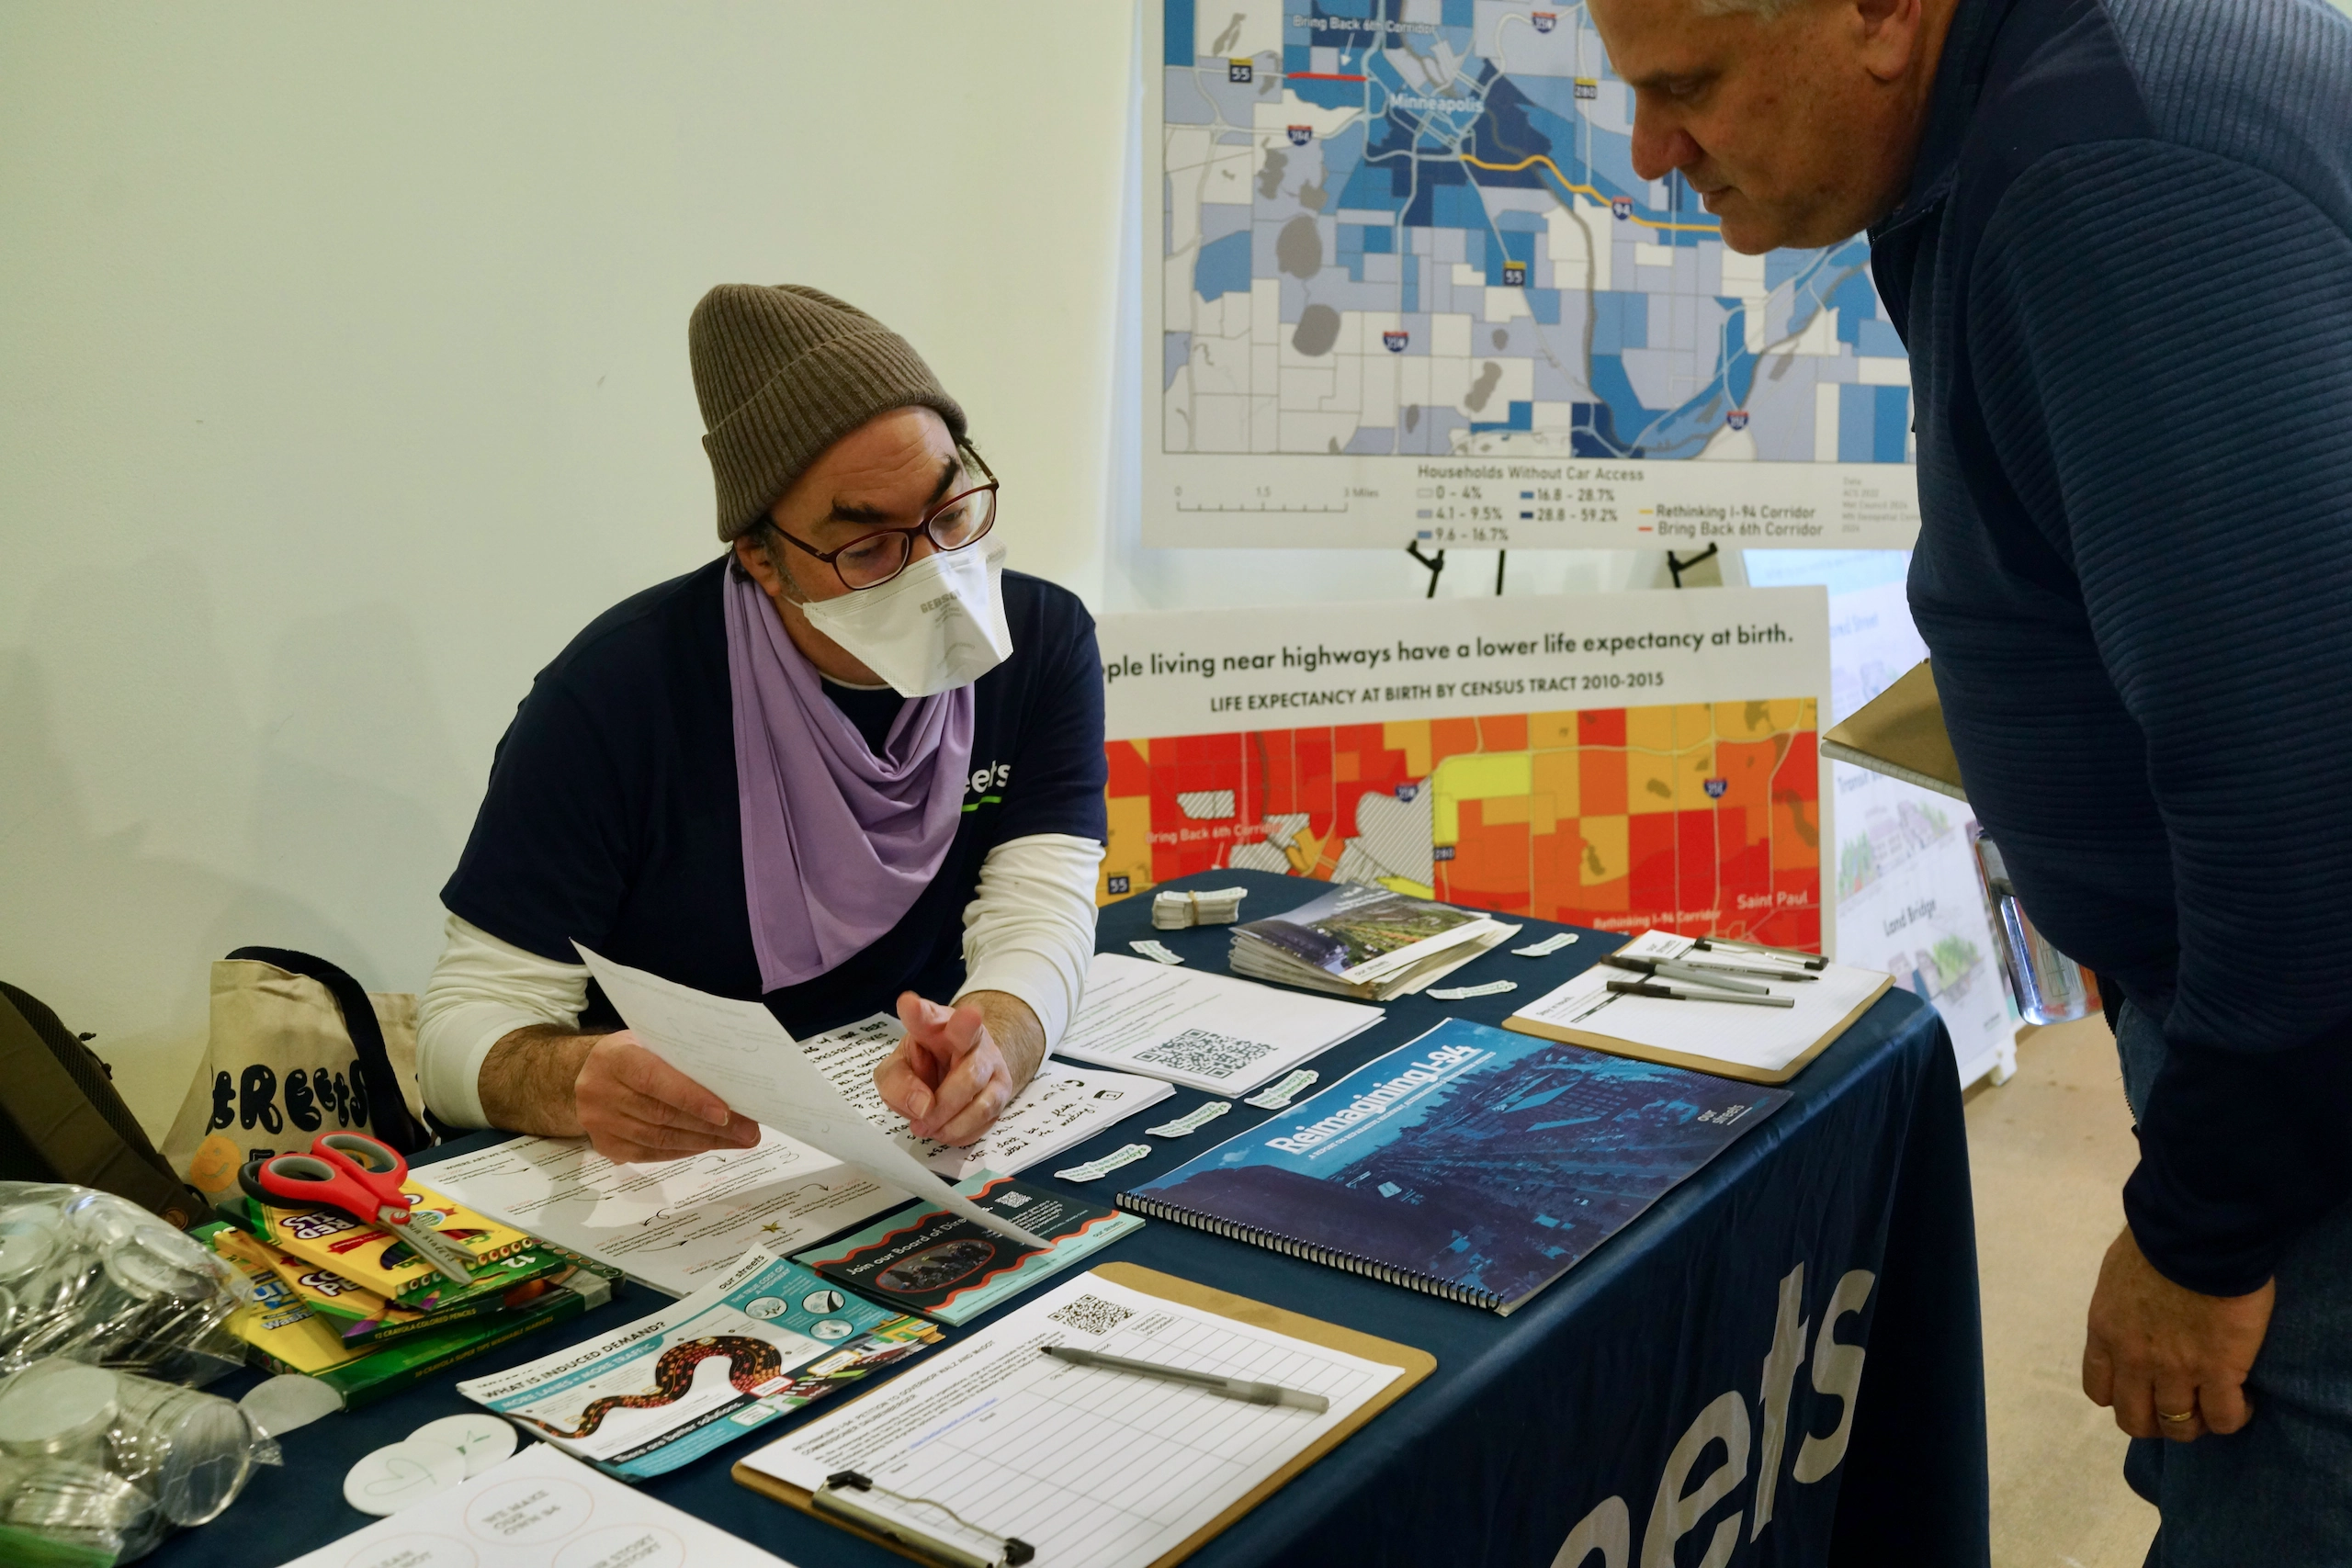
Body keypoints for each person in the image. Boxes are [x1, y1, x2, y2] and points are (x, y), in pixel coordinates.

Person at [1583, 0, 2352, 1557]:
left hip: (2310, 1083)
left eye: (1690, 89)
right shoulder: (2030, 119)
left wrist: (2201, 1235)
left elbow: (2306, 791)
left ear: (1874, 15)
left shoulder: (2101, 176)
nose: (1654, 151)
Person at [417, 284, 1108, 1168]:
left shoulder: (1042, 642)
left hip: (913, 1141)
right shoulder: (617, 698)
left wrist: (994, 1048)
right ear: (762, 558)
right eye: (867, 548)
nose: (936, 573)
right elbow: (459, 1027)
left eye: (952, 510)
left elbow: (1038, 908)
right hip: (688, 1167)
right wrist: (577, 1078)